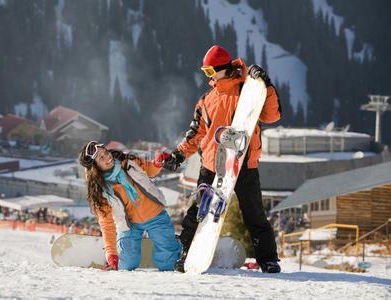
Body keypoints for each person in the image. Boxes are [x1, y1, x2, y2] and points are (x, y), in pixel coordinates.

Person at [159, 45, 282, 273]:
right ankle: (185, 254)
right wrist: (178, 155)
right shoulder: (207, 99)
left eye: (209, 71)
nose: (208, 77)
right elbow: (196, 133)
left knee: (253, 212)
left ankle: (268, 260)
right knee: (198, 211)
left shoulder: (248, 91)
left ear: (222, 68)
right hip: (212, 164)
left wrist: (267, 85)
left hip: (243, 163)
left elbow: (272, 115)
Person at [78, 141, 181, 271]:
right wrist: (112, 255)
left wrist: (158, 162)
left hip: (155, 215)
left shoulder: (128, 162)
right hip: (129, 225)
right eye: (101, 158)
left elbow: (149, 169)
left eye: (106, 152)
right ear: (95, 166)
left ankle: (175, 248)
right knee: (125, 264)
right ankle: (116, 256)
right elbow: (106, 223)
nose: (108, 157)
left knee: (168, 263)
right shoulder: (100, 191)